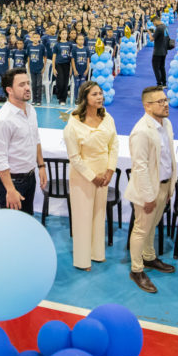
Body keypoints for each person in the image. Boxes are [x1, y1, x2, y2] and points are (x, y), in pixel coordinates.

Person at [123, 86, 177, 294]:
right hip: (148, 191)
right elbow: (140, 166)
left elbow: (168, 158)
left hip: (163, 185)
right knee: (141, 229)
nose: (165, 104)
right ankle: (137, 270)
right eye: (160, 101)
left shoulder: (167, 124)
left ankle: (149, 257)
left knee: (152, 226)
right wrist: (148, 196)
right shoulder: (141, 131)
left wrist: (170, 185)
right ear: (147, 106)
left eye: (166, 100)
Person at [63, 80, 118, 271]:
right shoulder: (73, 123)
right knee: (82, 217)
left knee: (97, 215)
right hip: (83, 177)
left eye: (101, 93)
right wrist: (92, 176)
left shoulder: (108, 118)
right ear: (85, 97)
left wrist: (110, 171)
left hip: (103, 176)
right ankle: (82, 260)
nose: (100, 97)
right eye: (95, 94)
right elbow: (74, 157)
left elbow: (114, 145)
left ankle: (96, 253)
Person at [0, 68, 47, 215]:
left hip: (30, 178)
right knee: (12, 229)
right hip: (12, 183)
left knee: (27, 221)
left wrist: (41, 166)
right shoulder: (3, 120)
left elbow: (36, 139)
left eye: (28, 83)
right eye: (21, 85)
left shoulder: (31, 110)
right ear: (9, 90)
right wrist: (10, 190)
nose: (27, 87)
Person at [151, 17, 168, 86]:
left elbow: (152, 39)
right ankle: (164, 83)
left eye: (153, 22)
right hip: (164, 50)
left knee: (155, 67)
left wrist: (149, 33)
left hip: (158, 51)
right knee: (162, 67)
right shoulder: (165, 26)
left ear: (156, 21)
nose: (154, 24)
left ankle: (159, 83)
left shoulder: (158, 28)